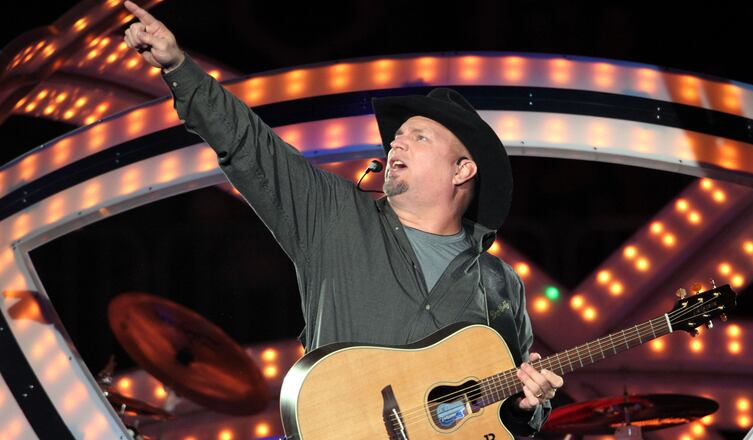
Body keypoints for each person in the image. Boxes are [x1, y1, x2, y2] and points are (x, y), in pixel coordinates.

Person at [122, 1, 563, 436]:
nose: (397, 145)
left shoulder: (500, 282)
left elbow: (503, 411)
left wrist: (530, 403)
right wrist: (178, 65)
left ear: (462, 170)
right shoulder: (333, 215)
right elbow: (250, 146)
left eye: (419, 137)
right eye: (396, 138)